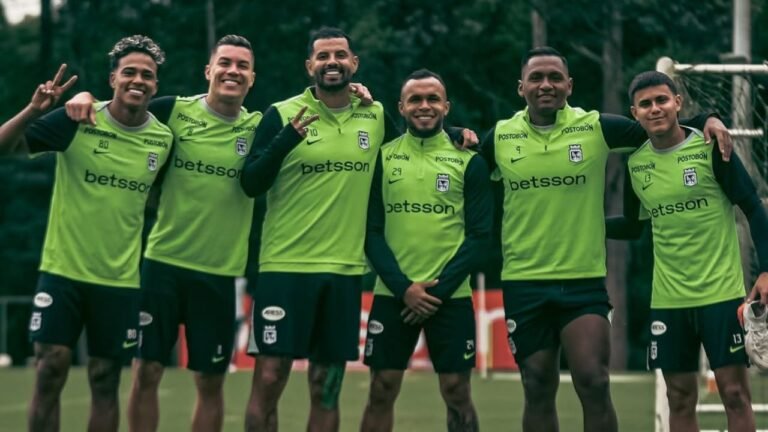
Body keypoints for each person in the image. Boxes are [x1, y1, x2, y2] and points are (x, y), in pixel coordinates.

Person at [477, 46, 732, 432]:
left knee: (593, 381)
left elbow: (658, 124)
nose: (546, 85)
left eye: (555, 77)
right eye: (536, 78)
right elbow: (465, 170)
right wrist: (455, 134)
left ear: (569, 85)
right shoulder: (499, 137)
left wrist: (706, 118)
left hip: (583, 283)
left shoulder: (594, 127)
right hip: (523, 283)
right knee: (537, 386)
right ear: (521, 87)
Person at [239, 26, 407, 432]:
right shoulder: (282, 114)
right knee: (269, 378)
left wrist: (455, 135)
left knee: (326, 386)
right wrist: (287, 139)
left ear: (354, 63)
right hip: (284, 268)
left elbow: (415, 150)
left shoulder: (374, 115)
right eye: (323, 56)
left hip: (343, 271)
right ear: (309, 65)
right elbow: (251, 183)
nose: (332, 62)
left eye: (340, 55)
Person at [0, 36, 172, 432]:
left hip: (119, 280)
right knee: (50, 367)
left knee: (105, 379)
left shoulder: (163, 140)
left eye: (147, 75)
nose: (138, 80)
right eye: (129, 72)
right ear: (113, 78)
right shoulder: (77, 119)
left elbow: (156, 197)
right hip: (63, 272)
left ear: (155, 86)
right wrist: (33, 110)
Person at [607, 70, 768, 432]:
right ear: (634, 113)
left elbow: (754, 208)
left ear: (678, 102)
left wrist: (766, 270)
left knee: (734, 395)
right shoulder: (636, 164)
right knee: (678, 398)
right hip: (669, 300)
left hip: (721, 295)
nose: (655, 108)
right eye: (645, 104)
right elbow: (633, 226)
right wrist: (587, 224)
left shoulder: (712, 148)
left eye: (662, 100)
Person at [360, 69, 492, 432]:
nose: (424, 106)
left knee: (457, 391)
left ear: (446, 107)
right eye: (415, 99)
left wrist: (435, 292)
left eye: (433, 99)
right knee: (381, 389)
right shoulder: (381, 158)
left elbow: (480, 237)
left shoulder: (470, 160)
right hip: (393, 294)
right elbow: (371, 233)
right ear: (401, 107)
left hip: (449, 297)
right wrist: (404, 289)